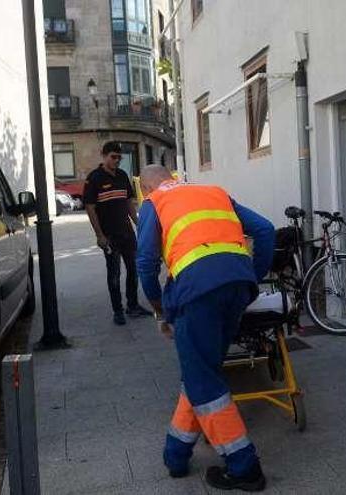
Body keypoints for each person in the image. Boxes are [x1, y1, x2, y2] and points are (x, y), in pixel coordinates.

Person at [135, 165, 275, 492]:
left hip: (196, 293)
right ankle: (176, 454)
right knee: (203, 372)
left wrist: (159, 309)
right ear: (172, 176)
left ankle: (245, 467)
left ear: (145, 188)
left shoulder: (153, 203)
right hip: (237, 286)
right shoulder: (214, 192)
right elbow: (266, 230)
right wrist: (251, 277)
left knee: (203, 379)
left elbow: (144, 263)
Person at [83, 142, 152, 326]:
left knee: (133, 270)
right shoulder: (94, 178)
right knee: (114, 274)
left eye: (119, 157)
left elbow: (129, 202)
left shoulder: (122, 176)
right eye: (113, 157)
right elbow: (90, 208)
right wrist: (99, 235)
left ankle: (133, 305)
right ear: (104, 156)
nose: (117, 160)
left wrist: (139, 223)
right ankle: (118, 311)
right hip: (109, 235)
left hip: (127, 233)